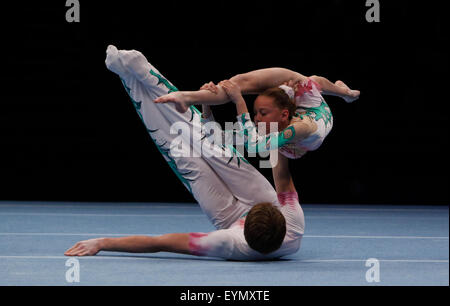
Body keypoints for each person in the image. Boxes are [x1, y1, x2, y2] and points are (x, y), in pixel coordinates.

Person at [64, 46, 304, 260]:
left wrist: (102, 243)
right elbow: (281, 176)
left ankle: (129, 76)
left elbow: (159, 243)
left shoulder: (227, 244)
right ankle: (143, 72)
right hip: (258, 201)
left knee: (182, 152)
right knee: (213, 149)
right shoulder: (293, 224)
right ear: (280, 216)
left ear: (242, 232)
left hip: (227, 218)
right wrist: (285, 128)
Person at [154, 69, 360, 159]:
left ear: (284, 113)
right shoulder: (272, 126)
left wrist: (239, 101)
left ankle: (346, 93)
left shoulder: (302, 127)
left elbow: (253, 146)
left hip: (316, 116)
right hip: (297, 124)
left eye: (262, 113)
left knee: (312, 80)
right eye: (256, 113)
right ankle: (191, 97)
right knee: (238, 83)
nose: (256, 119)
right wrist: (205, 102)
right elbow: (214, 138)